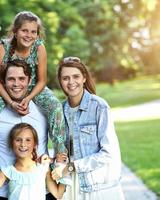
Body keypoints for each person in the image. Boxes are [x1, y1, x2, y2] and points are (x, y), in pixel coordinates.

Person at [0, 11, 67, 169]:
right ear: (15, 31)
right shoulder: (3, 47)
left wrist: (28, 98)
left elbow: (41, 81)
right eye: (24, 31)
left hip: (34, 88)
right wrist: (12, 103)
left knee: (55, 106)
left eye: (33, 31)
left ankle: (60, 158)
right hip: (8, 88)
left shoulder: (39, 48)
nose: (29, 35)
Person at [0, 59, 57, 200]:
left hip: (44, 191)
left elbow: (61, 143)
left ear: (29, 81)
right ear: (3, 83)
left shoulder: (43, 109)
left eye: (22, 79)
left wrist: (54, 162)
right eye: (11, 79)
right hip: (6, 193)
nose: (16, 84)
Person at [52, 57, 125, 200]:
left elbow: (108, 153)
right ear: (60, 82)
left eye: (76, 76)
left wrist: (71, 167)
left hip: (97, 185)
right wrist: (57, 162)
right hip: (70, 185)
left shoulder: (99, 106)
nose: (71, 82)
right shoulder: (59, 111)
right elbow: (60, 151)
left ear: (84, 78)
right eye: (65, 78)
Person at [0, 123, 65, 200]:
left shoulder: (43, 168)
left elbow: (58, 194)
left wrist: (65, 169)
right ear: (11, 143)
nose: (23, 144)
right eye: (18, 140)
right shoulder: (8, 171)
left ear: (35, 144)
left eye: (28, 140)